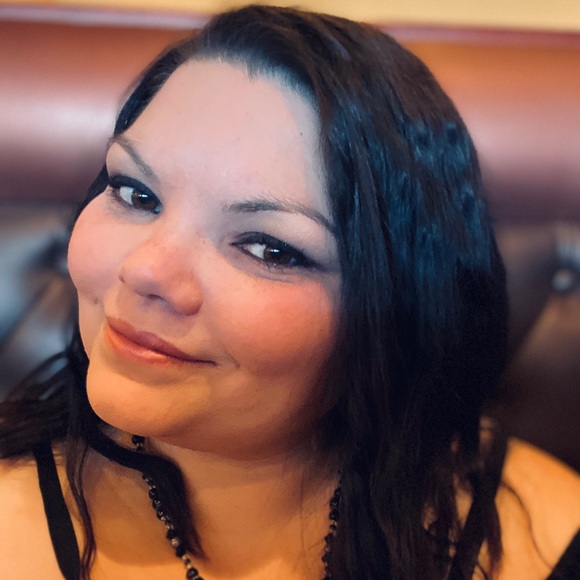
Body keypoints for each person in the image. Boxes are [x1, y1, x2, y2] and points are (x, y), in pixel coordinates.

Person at [0, 5, 578, 579]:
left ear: (390, 312)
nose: (144, 271)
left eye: (268, 248)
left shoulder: (543, 535)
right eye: (135, 193)